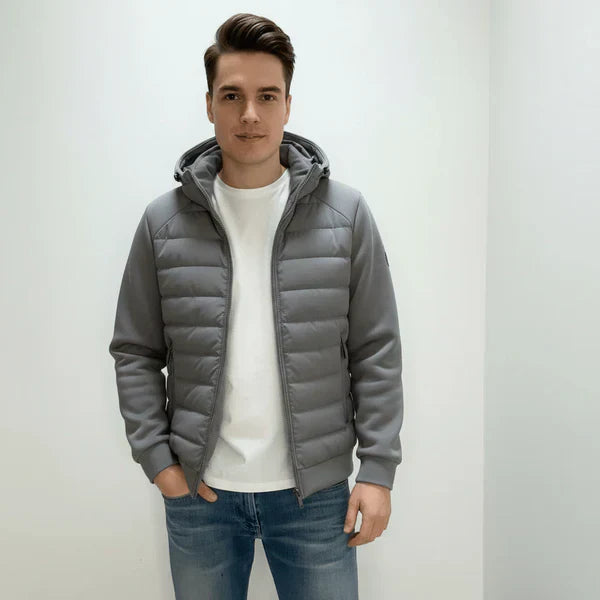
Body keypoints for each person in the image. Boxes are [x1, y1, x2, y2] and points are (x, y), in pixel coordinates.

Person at [108, 12, 404, 600]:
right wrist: (158, 462)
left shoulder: (345, 216)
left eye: (267, 96)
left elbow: (376, 350)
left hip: (316, 497)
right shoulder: (162, 223)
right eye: (232, 96)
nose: (250, 113)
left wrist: (377, 470)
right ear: (209, 105)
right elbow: (135, 350)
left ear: (288, 106)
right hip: (201, 496)